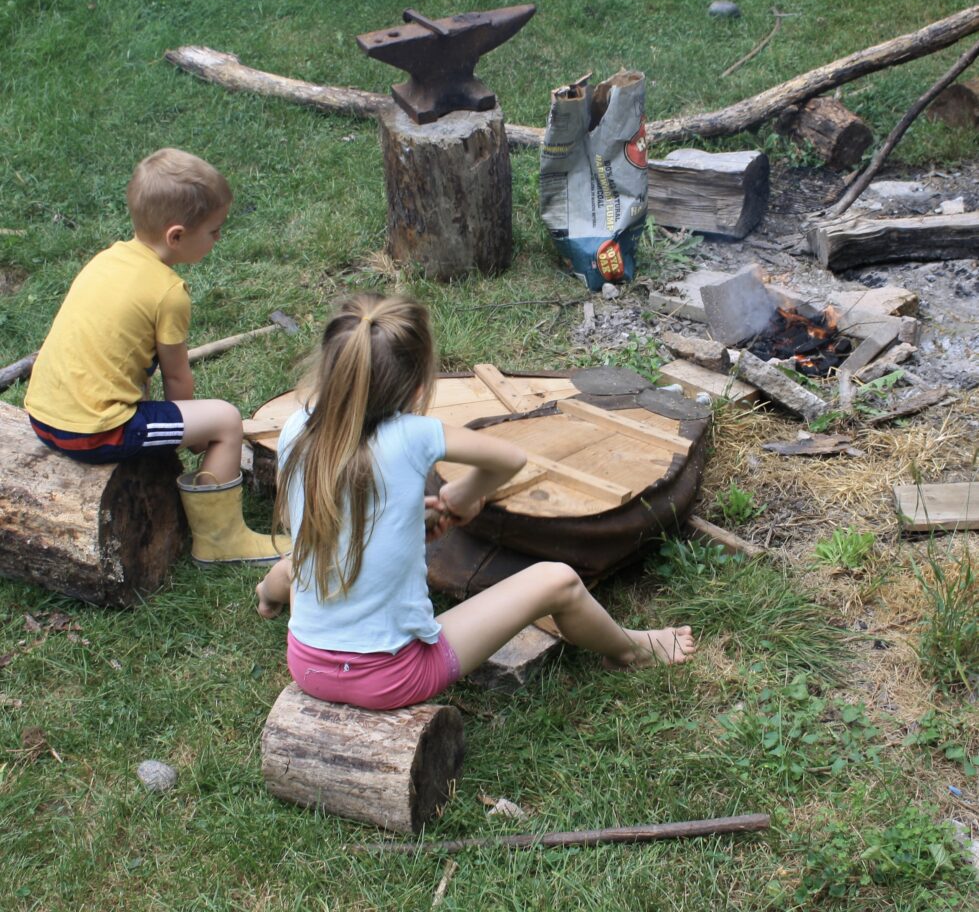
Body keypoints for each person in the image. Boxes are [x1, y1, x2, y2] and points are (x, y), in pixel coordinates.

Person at [255, 293, 696, 710]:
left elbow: (341, 506)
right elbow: (509, 460)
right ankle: (631, 650)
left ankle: (267, 595)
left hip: (308, 666)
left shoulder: (297, 428)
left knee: (304, 555)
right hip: (393, 677)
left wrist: (409, 516)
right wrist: (463, 496)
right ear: (416, 389)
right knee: (556, 580)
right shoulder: (414, 435)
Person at [24, 147, 283, 565]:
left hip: (42, 415)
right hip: (92, 429)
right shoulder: (168, 292)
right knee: (226, 420)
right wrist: (197, 433)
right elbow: (178, 380)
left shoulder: (107, 259)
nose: (219, 239)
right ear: (176, 236)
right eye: (215, 231)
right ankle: (221, 540)